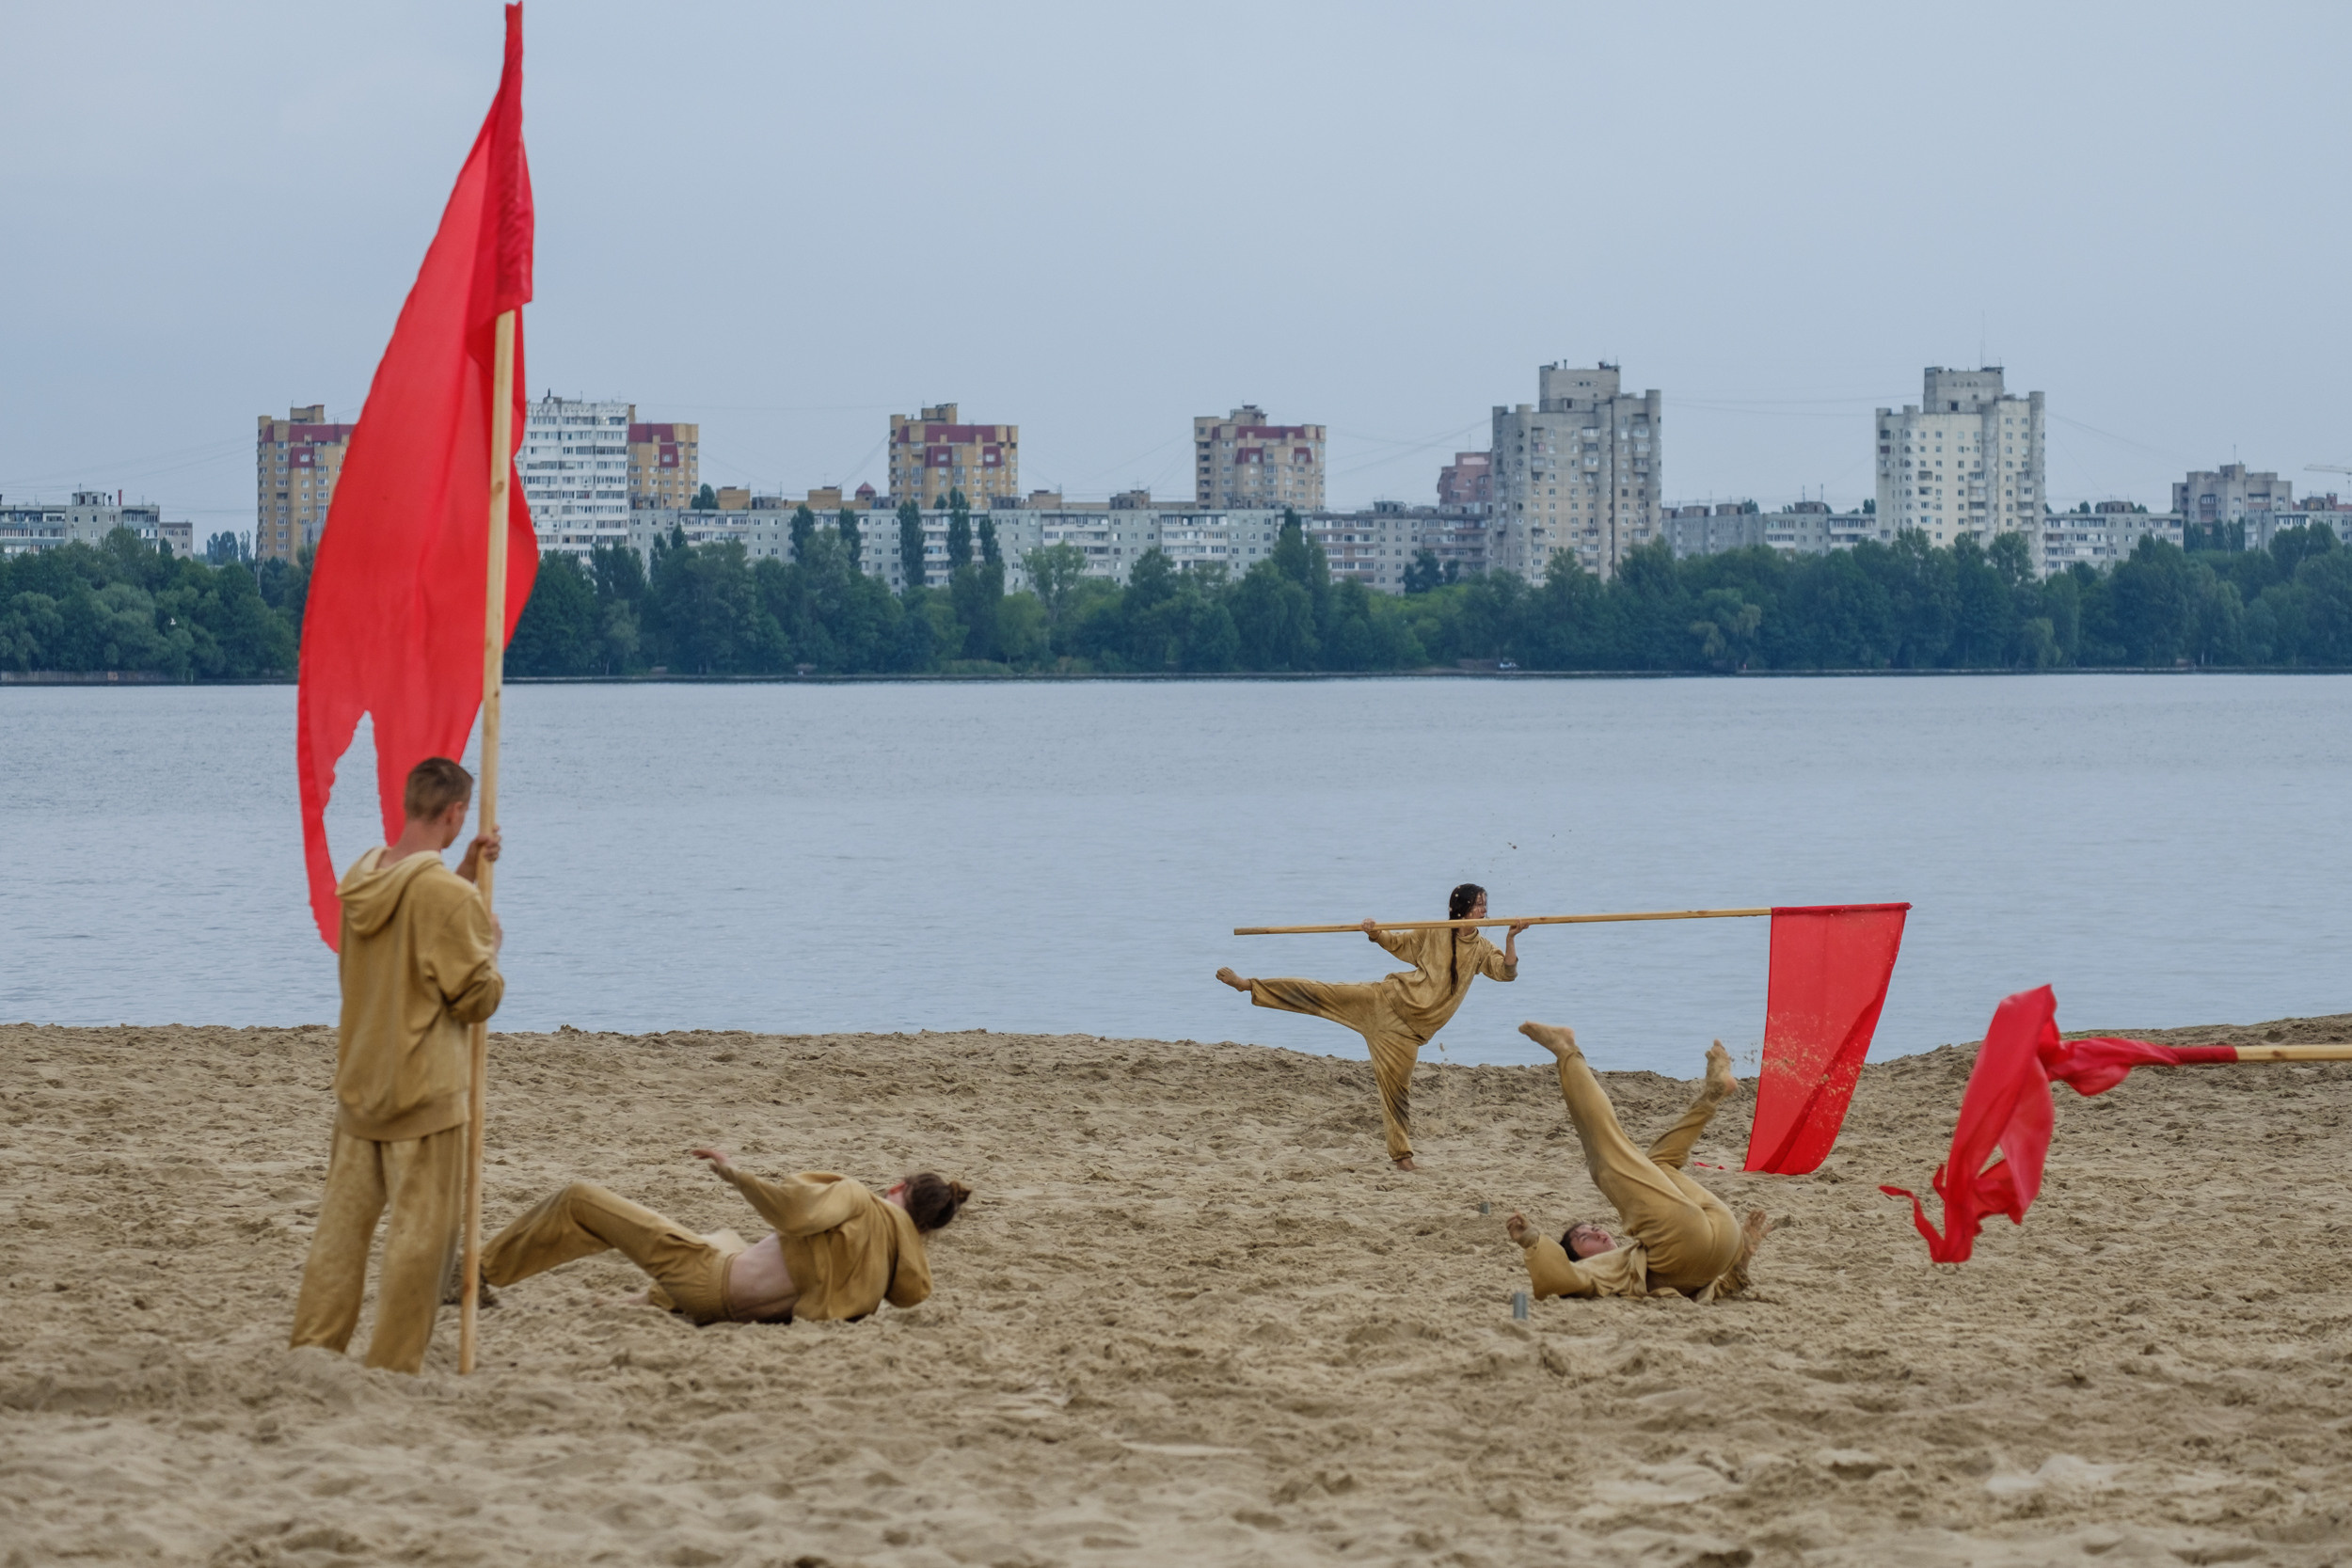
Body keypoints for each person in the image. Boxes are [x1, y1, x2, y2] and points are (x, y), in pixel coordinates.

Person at [289, 756, 503, 1373]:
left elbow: (416, 918)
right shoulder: (449, 900)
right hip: (424, 1092)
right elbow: (473, 998)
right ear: (456, 813)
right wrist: (489, 945)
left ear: (409, 804)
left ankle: (314, 1346)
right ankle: (392, 1362)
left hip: (362, 1081)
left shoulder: (362, 875)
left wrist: (464, 875)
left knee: (341, 1233)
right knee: (420, 1238)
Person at [1217, 882, 1528, 1170]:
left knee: (1397, 1093)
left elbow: (1507, 973)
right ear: (1461, 908)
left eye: (1485, 905)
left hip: (1409, 1033)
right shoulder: (1433, 932)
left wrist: (1511, 938)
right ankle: (1249, 985)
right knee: (1321, 993)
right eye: (1479, 904)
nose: (1484, 911)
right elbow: (1398, 943)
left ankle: (1402, 1159)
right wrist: (1374, 932)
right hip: (1384, 1000)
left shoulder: (1483, 948)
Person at [480, 1150, 971, 1324]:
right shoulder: (894, 1259)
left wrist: (734, 1173)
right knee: (725, 1236)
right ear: (925, 1225)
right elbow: (913, 1294)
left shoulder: (858, 1199)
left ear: (898, 1187)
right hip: (739, 1310)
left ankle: (479, 1272)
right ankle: (641, 1304)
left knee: (578, 1198)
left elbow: (789, 1211)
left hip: (706, 1284)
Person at [1504, 1022, 1772, 1302]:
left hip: (1719, 1242)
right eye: (1587, 1239)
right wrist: (1531, 1239)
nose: (1599, 1234)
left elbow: (1722, 1288)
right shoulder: (1590, 1270)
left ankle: (1713, 1093)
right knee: (1604, 1162)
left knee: (1659, 1164)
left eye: (1595, 1229)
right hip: (1698, 1240)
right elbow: (1562, 1280)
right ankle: (1566, 1050)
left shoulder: (1637, 1261)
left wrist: (1741, 1254)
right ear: (1577, 1259)